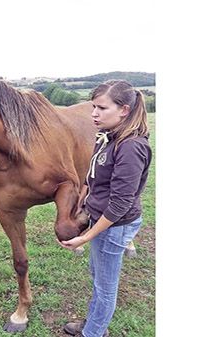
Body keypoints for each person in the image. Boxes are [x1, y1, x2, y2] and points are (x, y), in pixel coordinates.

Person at [57, 80, 152, 337]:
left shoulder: (131, 147)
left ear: (124, 110)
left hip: (115, 225)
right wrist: (82, 204)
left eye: (101, 108)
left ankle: (93, 332)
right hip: (102, 220)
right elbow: (92, 177)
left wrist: (86, 236)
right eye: (93, 107)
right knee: (97, 276)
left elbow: (120, 203)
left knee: (105, 287)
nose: (94, 114)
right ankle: (94, 323)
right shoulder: (107, 137)